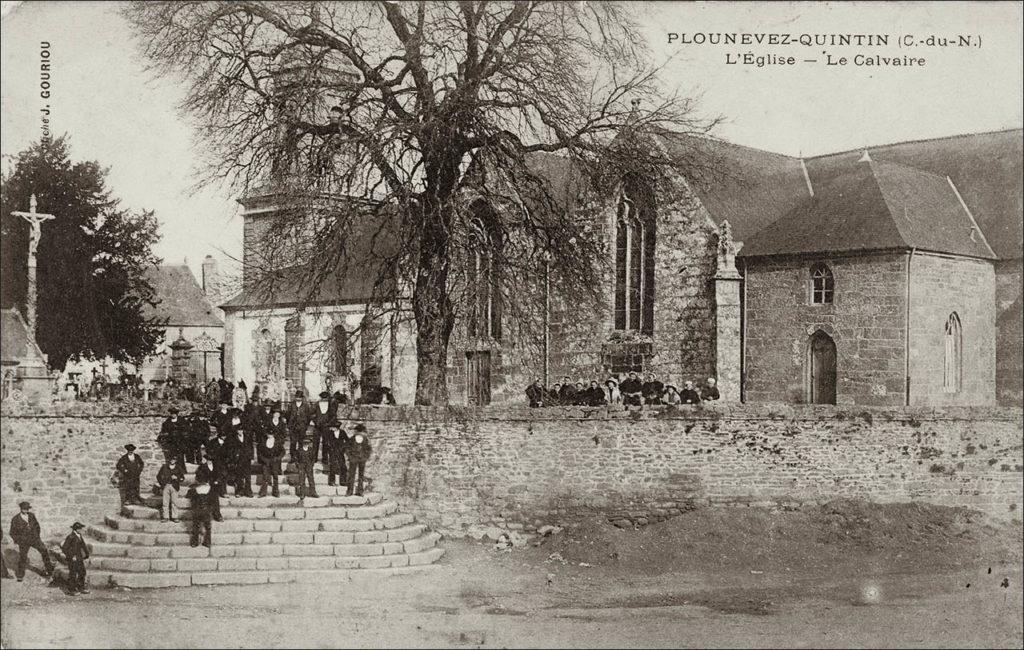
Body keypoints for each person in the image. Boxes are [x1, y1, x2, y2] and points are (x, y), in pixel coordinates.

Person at [9, 502, 54, 582]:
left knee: (44, 550)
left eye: (27, 509)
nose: (25, 511)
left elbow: (37, 526)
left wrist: (37, 536)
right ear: (20, 509)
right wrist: (18, 541)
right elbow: (12, 532)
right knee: (23, 557)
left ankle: (49, 570)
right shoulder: (15, 519)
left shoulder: (31, 516)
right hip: (23, 542)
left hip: (34, 539)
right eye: (24, 509)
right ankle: (20, 575)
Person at [195, 448, 224, 521]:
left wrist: (217, 480)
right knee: (204, 501)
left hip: (214, 486)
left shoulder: (216, 467)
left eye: (210, 460)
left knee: (215, 500)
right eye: (208, 460)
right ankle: (204, 517)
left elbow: (220, 475)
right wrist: (204, 482)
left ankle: (217, 515)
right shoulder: (202, 467)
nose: (209, 461)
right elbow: (198, 476)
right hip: (205, 486)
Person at [61, 522, 90, 595]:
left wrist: (87, 554)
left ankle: (81, 587)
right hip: (73, 559)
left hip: (79, 557)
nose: (82, 530)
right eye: (80, 529)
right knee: (73, 574)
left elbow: (83, 545)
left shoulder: (79, 535)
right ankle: (72, 590)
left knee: (82, 572)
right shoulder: (71, 537)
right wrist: (71, 556)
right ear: (77, 529)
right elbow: (64, 548)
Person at [257, 425, 285, 498]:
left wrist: (278, 458)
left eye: (271, 434)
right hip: (266, 461)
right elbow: (259, 453)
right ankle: (263, 492)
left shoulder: (277, 442)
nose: (269, 435)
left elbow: (283, 451)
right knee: (265, 476)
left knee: (275, 476)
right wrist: (264, 459)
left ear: (273, 434)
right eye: (268, 434)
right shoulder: (263, 442)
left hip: (274, 461)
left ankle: (276, 492)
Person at [186, 478, 215, 548]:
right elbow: (213, 502)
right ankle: (208, 542)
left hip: (197, 510)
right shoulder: (211, 490)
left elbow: (189, 497)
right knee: (208, 527)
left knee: (196, 525)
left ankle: (195, 542)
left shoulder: (193, 489)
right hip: (207, 510)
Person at [227, 424, 254, 497]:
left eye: (241, 430)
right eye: (239, 430)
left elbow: (251, 448)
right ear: (236, 431)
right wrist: (234, 456)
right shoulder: (233, 438)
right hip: (238, 460)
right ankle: (240, 491)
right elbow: (231, 449)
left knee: (248, 476)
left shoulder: (247, 437)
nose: (240, 431)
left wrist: (252, 458)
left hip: (247, 459)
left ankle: (248, 491)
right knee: (239, 476)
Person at [310, 391, 336, 467]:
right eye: (323, 398)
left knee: (326, 443)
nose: (324, 400)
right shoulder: (316, 404)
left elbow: (333, 416)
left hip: (326, 426)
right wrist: (315, 421)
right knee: (315, 443)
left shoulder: (330, 405)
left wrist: (329, 423)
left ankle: (325, 459)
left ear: (327, 398)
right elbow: (311, 414)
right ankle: (314, 458)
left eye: (325, 398)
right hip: (317, 426)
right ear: (321, 398)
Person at [345, 424, 372, 497]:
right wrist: (350, 457)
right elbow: (347, 448)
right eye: (358, 432)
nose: (359, 433)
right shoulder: (351, 439)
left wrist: (365, 457)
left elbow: (369, 449)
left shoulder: (366, 439)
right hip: (353, 459)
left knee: (361, 475)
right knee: (351, 475)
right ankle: (349, 491)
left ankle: (360, 491)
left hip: (362, 459)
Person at [157, 457, 185, 522]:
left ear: (176, 460)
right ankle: (165, 517)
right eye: (171, 459)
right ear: (169, 460)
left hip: (174, 486)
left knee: (174, 502)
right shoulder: (164, 467)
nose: (172, 461)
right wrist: (162, 484)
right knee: (165, 502)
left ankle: (175, 517)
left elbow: (182, 478)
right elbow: (158, 476)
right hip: (166, 486)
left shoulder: (178, 468)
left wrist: (177, 478)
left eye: (174, 459)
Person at [285, 390, 309, 461]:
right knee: (293, 442)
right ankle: (293, 457)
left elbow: (308, 416)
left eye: (299, 398)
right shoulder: (291, 405)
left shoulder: (305, 405)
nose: (298, 399)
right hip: (293, 427)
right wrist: (289, 424)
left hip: (302, 427)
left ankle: (300, 457)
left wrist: (305, 425)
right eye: (297, 397)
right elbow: (287, 415)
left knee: (301, 442)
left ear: (302, 398)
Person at [323, 421, 349, 487]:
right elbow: (325, 442)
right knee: (332, 466)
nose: (331, 428)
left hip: (340, 451)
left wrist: (344, 447)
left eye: (332, 427)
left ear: (336, 428)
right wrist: (329, 449)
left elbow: (348, 441)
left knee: (343, 466)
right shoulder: (329, 433)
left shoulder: (342, 432)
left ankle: (343, 481)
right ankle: (332, 481)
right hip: (332, 451)